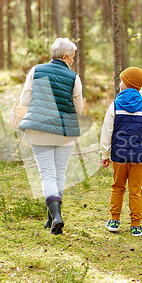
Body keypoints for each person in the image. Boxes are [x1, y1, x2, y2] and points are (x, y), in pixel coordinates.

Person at [18, 38, 83, 235]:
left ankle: (54, 217)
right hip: (64, 131)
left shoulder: (36, 70)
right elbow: (79, 109)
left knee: (47, 174)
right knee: (59, 173)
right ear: (64, 57)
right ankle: (54, 216)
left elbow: (24, 100)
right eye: (72, 57)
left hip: (39, 129)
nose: (72, 61)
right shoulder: (74, 77)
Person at [99, 67, 142, 237]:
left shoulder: (115, 106)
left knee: (118, 187)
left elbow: (106, 132)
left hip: (120, 155)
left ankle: (114, 220)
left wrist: (105, 154)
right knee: (135, 189)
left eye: (122, 80)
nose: (119, 82)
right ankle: (136, 225)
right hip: (139, 156)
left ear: (128, 83)